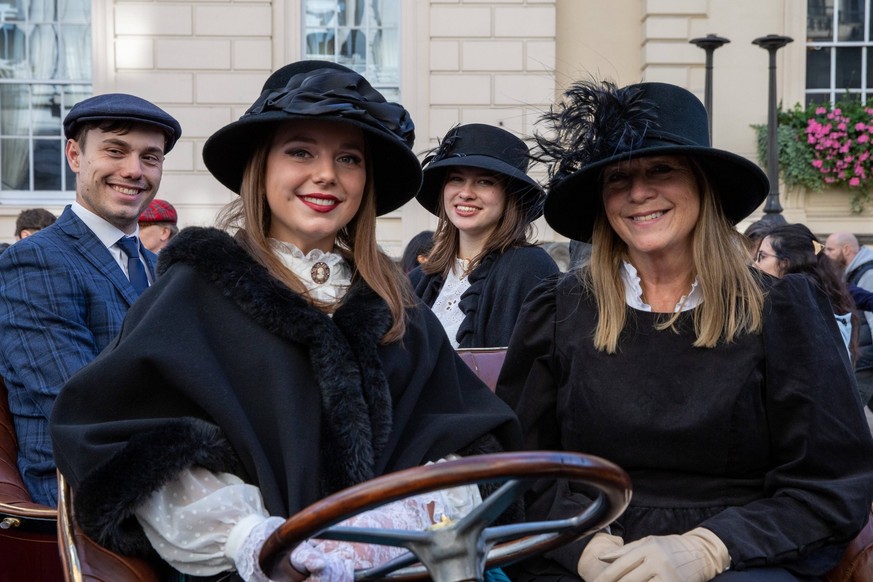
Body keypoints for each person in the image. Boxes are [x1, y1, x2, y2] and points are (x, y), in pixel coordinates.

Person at [50, 60, 520, 581]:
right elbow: (120, 437)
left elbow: (470, 439)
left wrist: (404, 518)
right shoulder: (193, 294)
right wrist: (253, 539)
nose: (327, 174)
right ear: (262, 167)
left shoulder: (397, 307)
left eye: (349, 158)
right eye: (301, 152)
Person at [497, 80, 873, 581]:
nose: (638, 193)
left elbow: (830, 481)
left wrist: (711, 548)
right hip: (585, 553)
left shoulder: (780, 310)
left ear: (703, 185)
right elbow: (521, 463)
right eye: (618, 178)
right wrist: (580, 543)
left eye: (661, 169)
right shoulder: (559, 309)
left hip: (741, 555)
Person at [0, 93, 181, 507]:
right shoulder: (36, 260)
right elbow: (81, 406)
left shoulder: (166, 269)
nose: (134, 170)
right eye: (115, 151)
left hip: (170, 476)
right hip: (83, 497)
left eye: (150, 157)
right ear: (74, 156)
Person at [409, 123, 559, 348]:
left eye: (484, 182)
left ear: (509, 195)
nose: (466, 193)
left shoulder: (530, 268)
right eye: (456, 179)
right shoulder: (417, 280)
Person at [755, 223, 859, 364]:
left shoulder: (793, 307)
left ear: (785, 263)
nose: (755, 264)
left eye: (762, 256)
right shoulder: (822, 295)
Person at [825, 231, 873, 407]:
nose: (825, 254)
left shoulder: (868, 274)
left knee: (848, 409)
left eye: (830, 249)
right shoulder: (853, 272)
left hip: (866, 359)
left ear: (846, 249)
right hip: (862, 355)